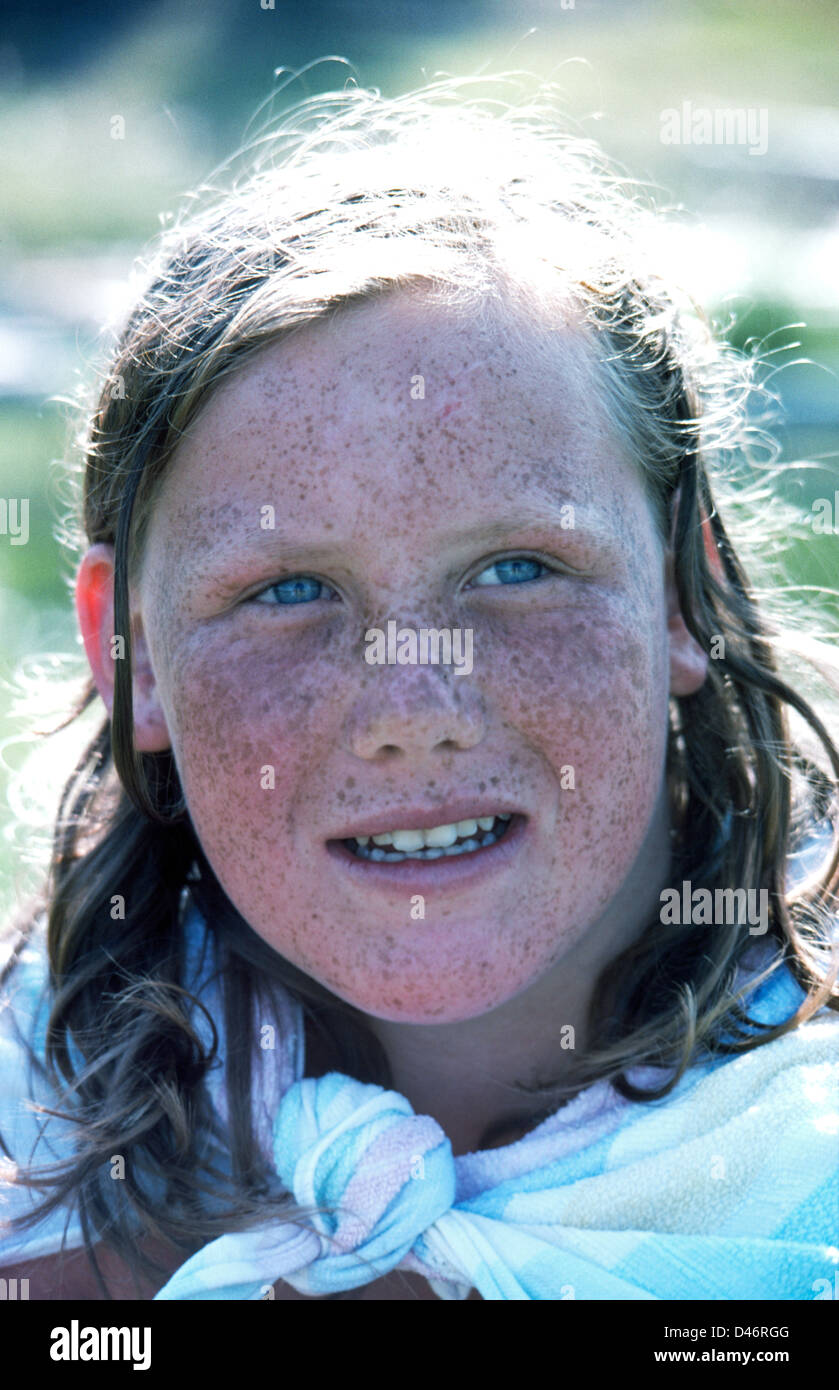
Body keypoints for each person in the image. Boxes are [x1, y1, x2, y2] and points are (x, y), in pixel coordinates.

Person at [1, 73, 837, 1302]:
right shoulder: (32, 1147)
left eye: (515, 567)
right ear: (126, 653)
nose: (411, 712)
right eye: (289, 591)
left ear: (678, 593)